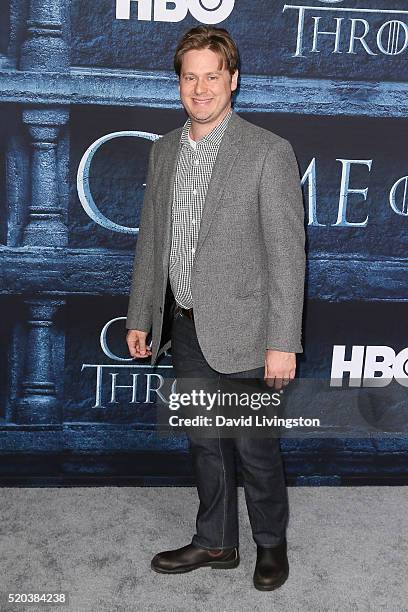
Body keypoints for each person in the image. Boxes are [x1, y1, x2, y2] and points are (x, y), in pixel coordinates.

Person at [126, 25, 305, 591]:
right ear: (179, 83)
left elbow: (286, 256)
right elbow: (152, 240)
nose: (200, 89)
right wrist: (140, 315)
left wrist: (283, 340)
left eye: (211, 76)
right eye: (189, 77)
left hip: (249, 332)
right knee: (205, 445)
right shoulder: (163, 151)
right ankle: (216, 542)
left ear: (233, 79)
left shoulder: (268, 152)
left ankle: (270, 544)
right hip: (185, 326)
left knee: (255, 450)